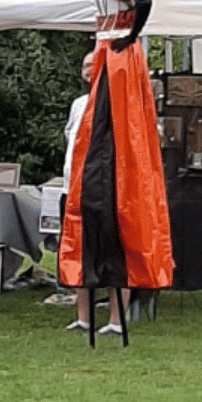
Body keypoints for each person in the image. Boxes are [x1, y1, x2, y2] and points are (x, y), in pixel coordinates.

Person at [58, 0, 174, 338]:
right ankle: (91, 314)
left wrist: (130, 38)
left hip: (120, 53)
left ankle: (109, 315)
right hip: (112, 50)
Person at [62, 52, 131, 333]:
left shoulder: (120, 102)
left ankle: (117, 319)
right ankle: (84, 317)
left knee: (115, 256)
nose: (89, 69)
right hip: (74, 187)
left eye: (94, 64)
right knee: (80, 254)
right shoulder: (79, 104)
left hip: (108, 191)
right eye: (85, 65)